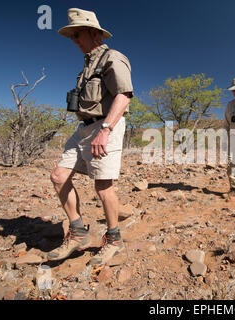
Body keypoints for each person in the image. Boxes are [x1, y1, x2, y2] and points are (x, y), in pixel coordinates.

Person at [48, 8, 133, 266]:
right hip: (83, 129)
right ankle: (78, 232)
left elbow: (124, 95)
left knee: (103, 186)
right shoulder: (86, 65)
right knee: (58, 176)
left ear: (94, 33)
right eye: (71, 36)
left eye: (77, 34)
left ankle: (114, 238)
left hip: (104, 125)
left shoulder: (112, 58)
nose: (74, 40)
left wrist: (105, 129)